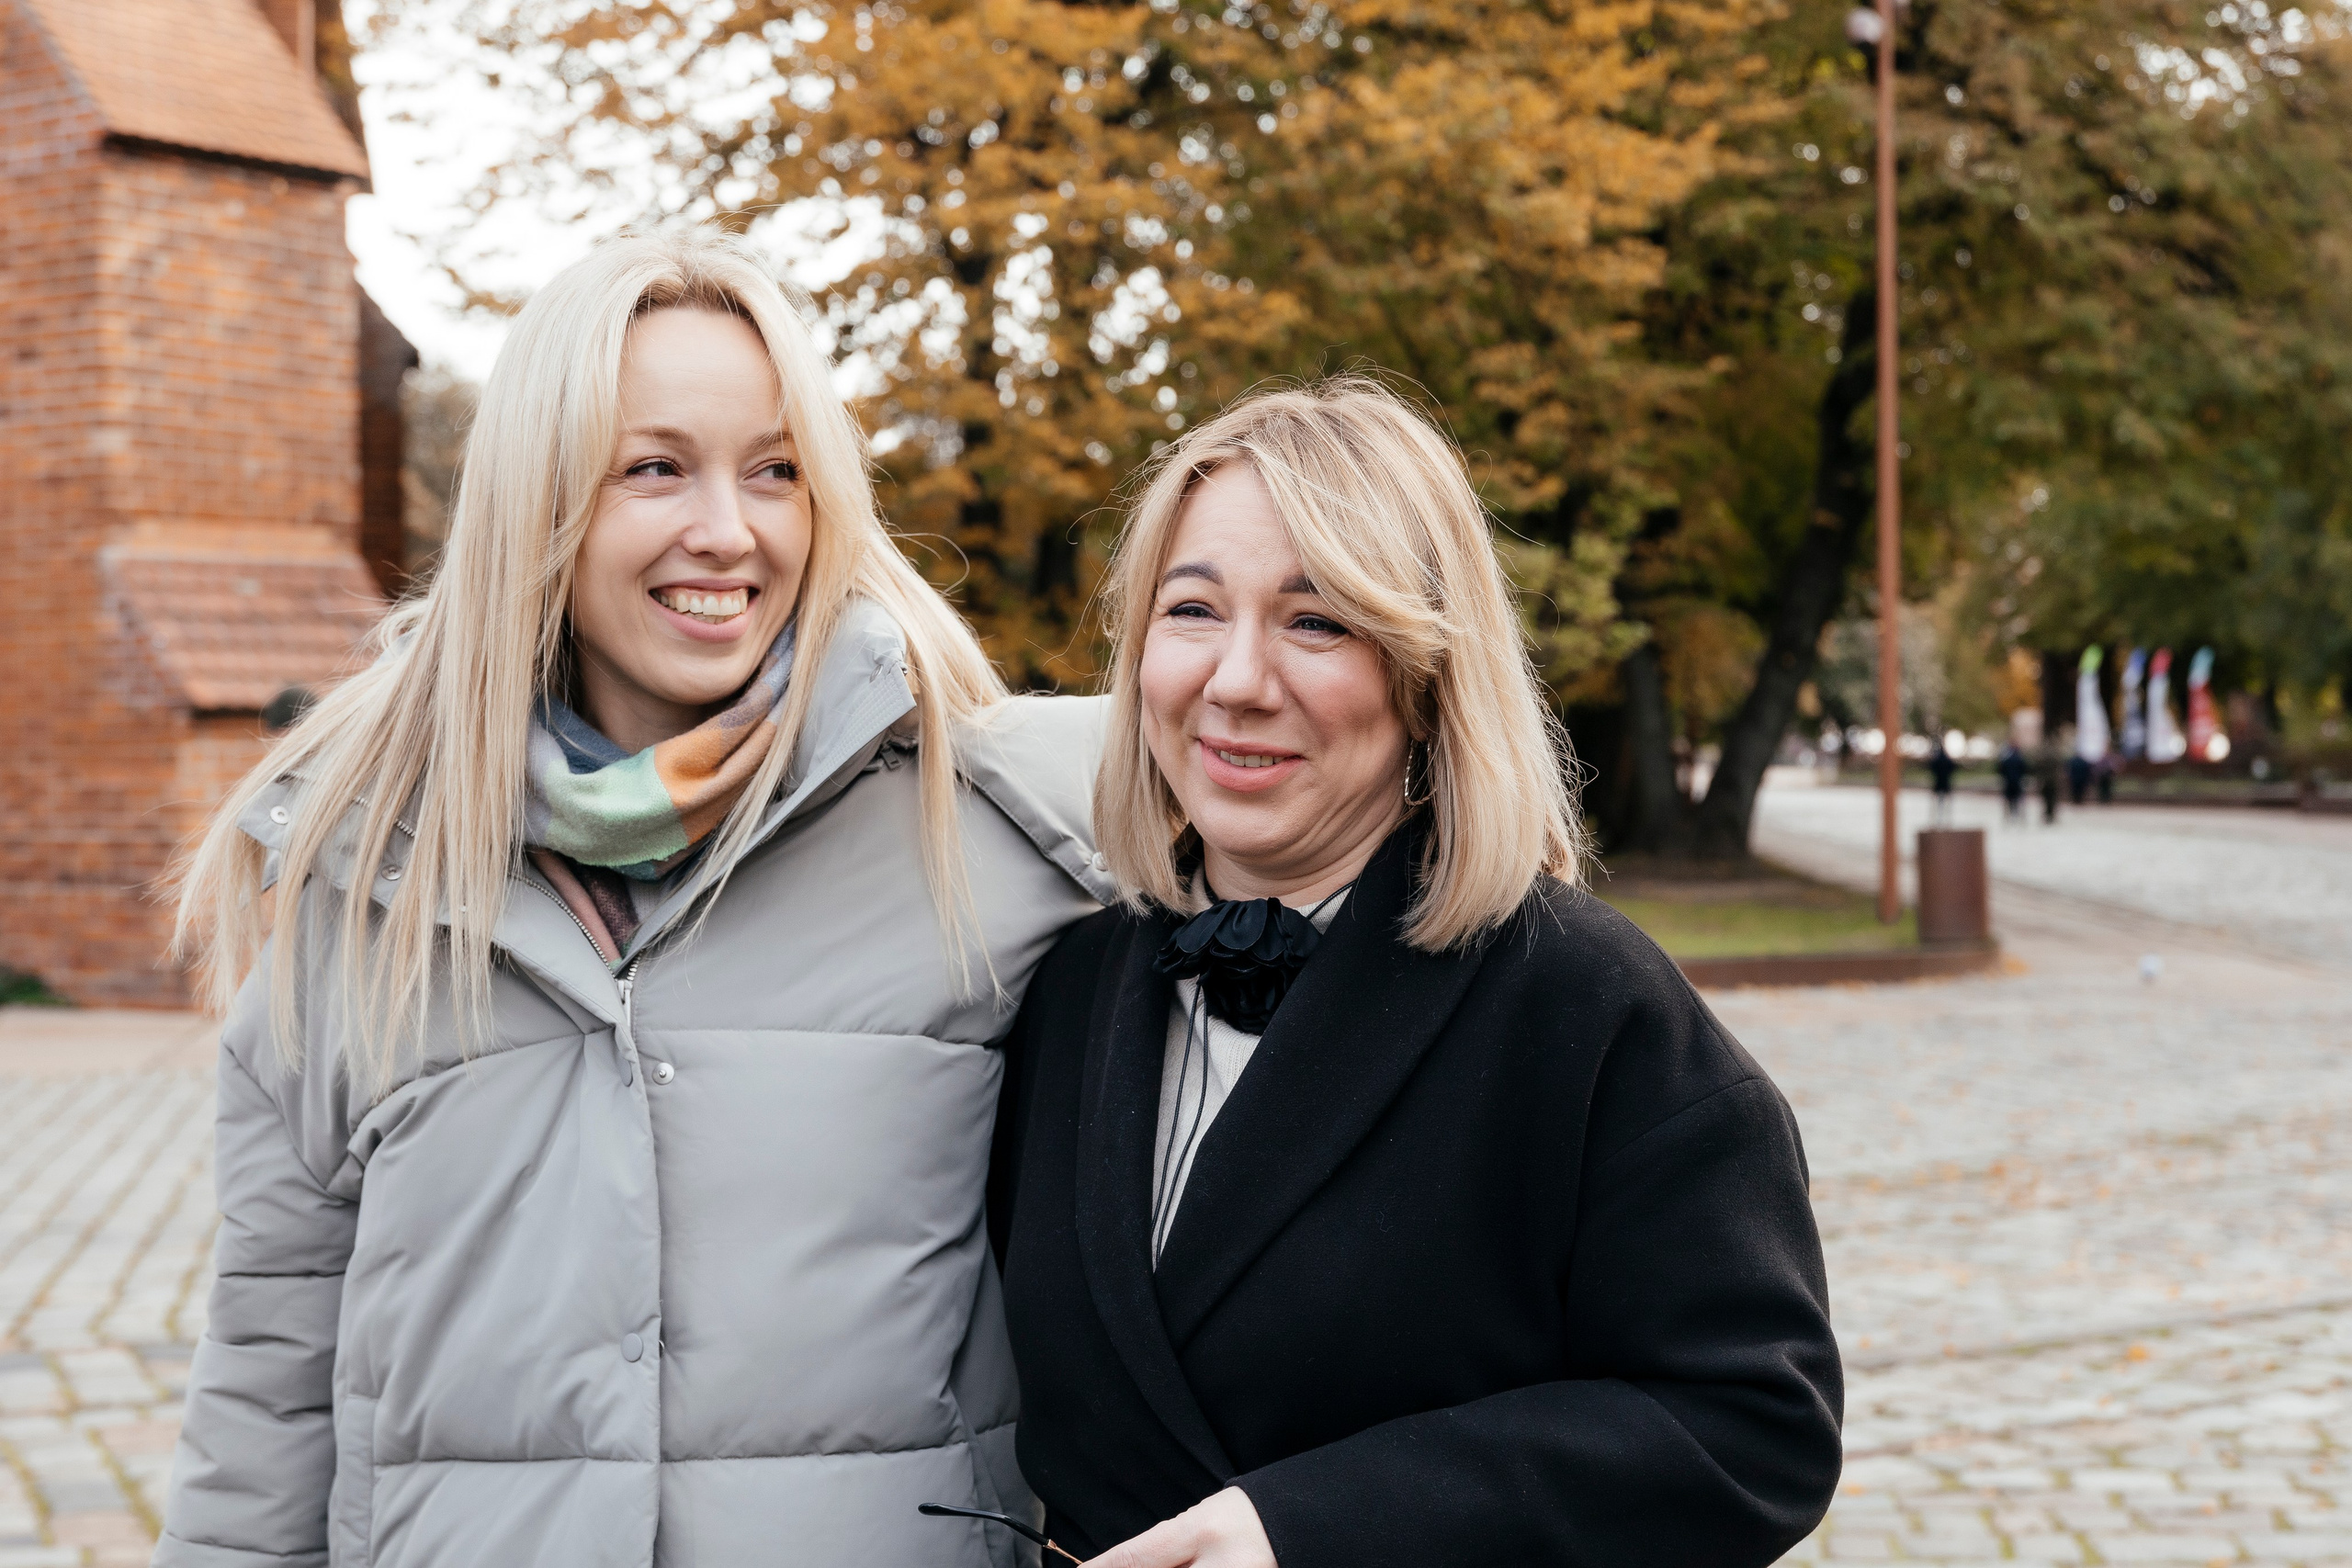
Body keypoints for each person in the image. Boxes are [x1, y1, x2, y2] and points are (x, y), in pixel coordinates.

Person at [158, 231, 1110, 1568]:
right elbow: (266, 1385)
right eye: (654, 468)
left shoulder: (1001, 818)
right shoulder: (357, 875)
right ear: (540, 499)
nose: (727, 529)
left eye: (776, 469)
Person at [985, 380, 1842, 1568]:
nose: (1236, 677)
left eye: (1317, 619)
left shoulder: (1590, 1008)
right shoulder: (1067, 986)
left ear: (1428, 673)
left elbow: (1754, 1425)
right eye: (1193, 610)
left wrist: (1311, 1526)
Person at [1928, 736, 1959, 825]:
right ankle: (1948, 820)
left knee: (1938, 803)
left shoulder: (1936, 760)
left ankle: (1937, 820)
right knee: (1946, 802)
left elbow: (1931, 768)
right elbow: (1953, 767)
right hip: (1946, 783)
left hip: (1938, 783)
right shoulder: (1947, 760)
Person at [1996, 739, 2028, 820]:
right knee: (2018, 798)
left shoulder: (2006, 758)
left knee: (2009, 799)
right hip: (2017, 781)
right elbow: (2024, 769)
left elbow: (2001, 769)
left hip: (2008, 781)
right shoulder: (2020, 758)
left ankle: (2010, 814)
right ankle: (2017, 814)